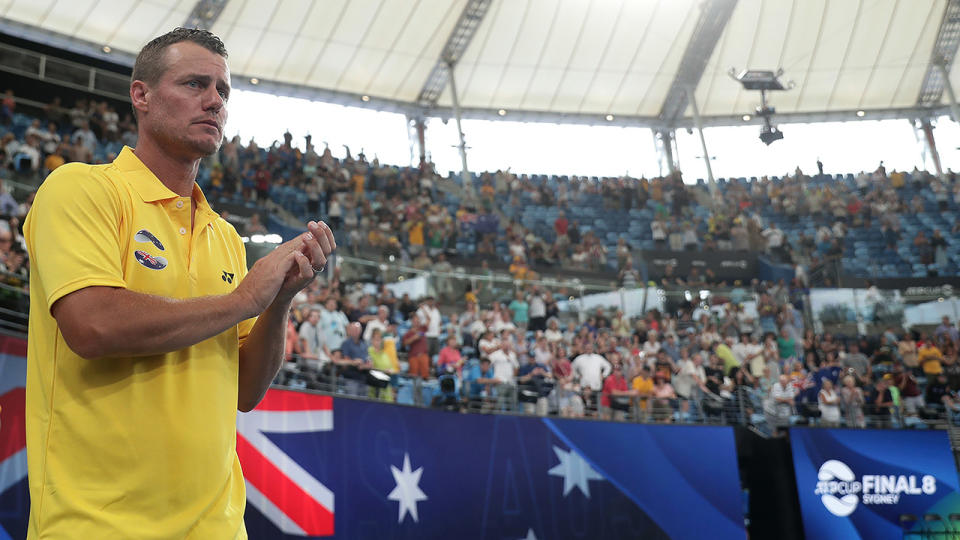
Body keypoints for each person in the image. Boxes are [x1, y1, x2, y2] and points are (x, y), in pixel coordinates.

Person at [23, 28, 337, 539]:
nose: (215, 100)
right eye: (195, 83)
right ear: (140, 96)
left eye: (223, 91)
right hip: (96, 526)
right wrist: (243, 299)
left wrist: (277, 302)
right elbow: (93, 325)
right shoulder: (81, 188)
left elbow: (245, 390)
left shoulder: (226, 237)